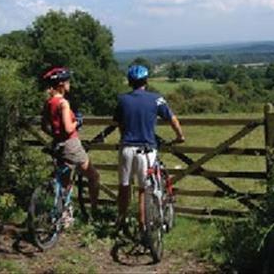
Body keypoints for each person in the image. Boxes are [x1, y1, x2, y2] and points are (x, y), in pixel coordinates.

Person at [113, 64, 184, 236]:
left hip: (126, 148)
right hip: (147, 149)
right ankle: (143, 224)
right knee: (143, 189)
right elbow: (173, 119)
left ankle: (121, 221)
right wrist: (180, 136)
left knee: (124, 187)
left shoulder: (122, 99)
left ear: (130, 82)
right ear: (146, 81)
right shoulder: (156, 99)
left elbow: (118, 123)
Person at [41, 67, 100, 223]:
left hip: (57, 145)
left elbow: (44, 126)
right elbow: (68, 128)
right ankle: (94, 213)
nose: (69, 84)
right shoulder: (63, 103)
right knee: (94, 176)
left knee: (65, 181)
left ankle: (63, 216)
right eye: (67, 81)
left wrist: (55, 135)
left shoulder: (49, 102)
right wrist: (77, 121)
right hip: (71, 145)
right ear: (61, 84)